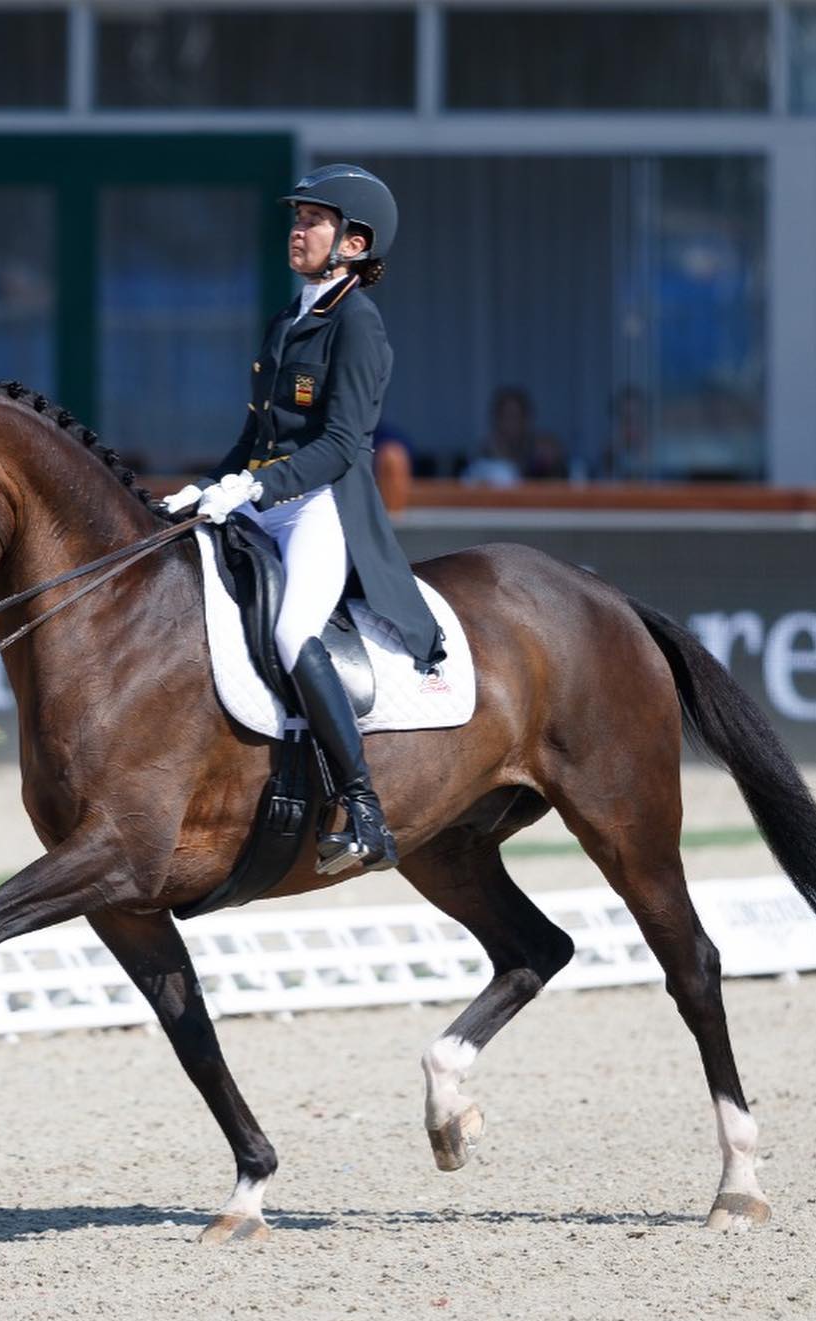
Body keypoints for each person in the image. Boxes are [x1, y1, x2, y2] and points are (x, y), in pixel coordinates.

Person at [163, 164, 444, 875]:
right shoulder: (288, 318)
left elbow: (342, 447)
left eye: (314, 221)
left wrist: (253, 492)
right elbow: (255, 436)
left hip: (321, 507)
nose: (298, 230)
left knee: (293, 632)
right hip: (267, 499)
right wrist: (207, 488)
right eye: (298, 219)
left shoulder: (358, 324)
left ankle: (363, 805)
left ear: (353, 243)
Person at [460, 385, 564, 486]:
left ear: (526, 419)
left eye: (518, 416)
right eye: (507, 416)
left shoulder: (539, 448)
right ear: (497, 419)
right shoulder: (483, 452)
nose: (513, 423)